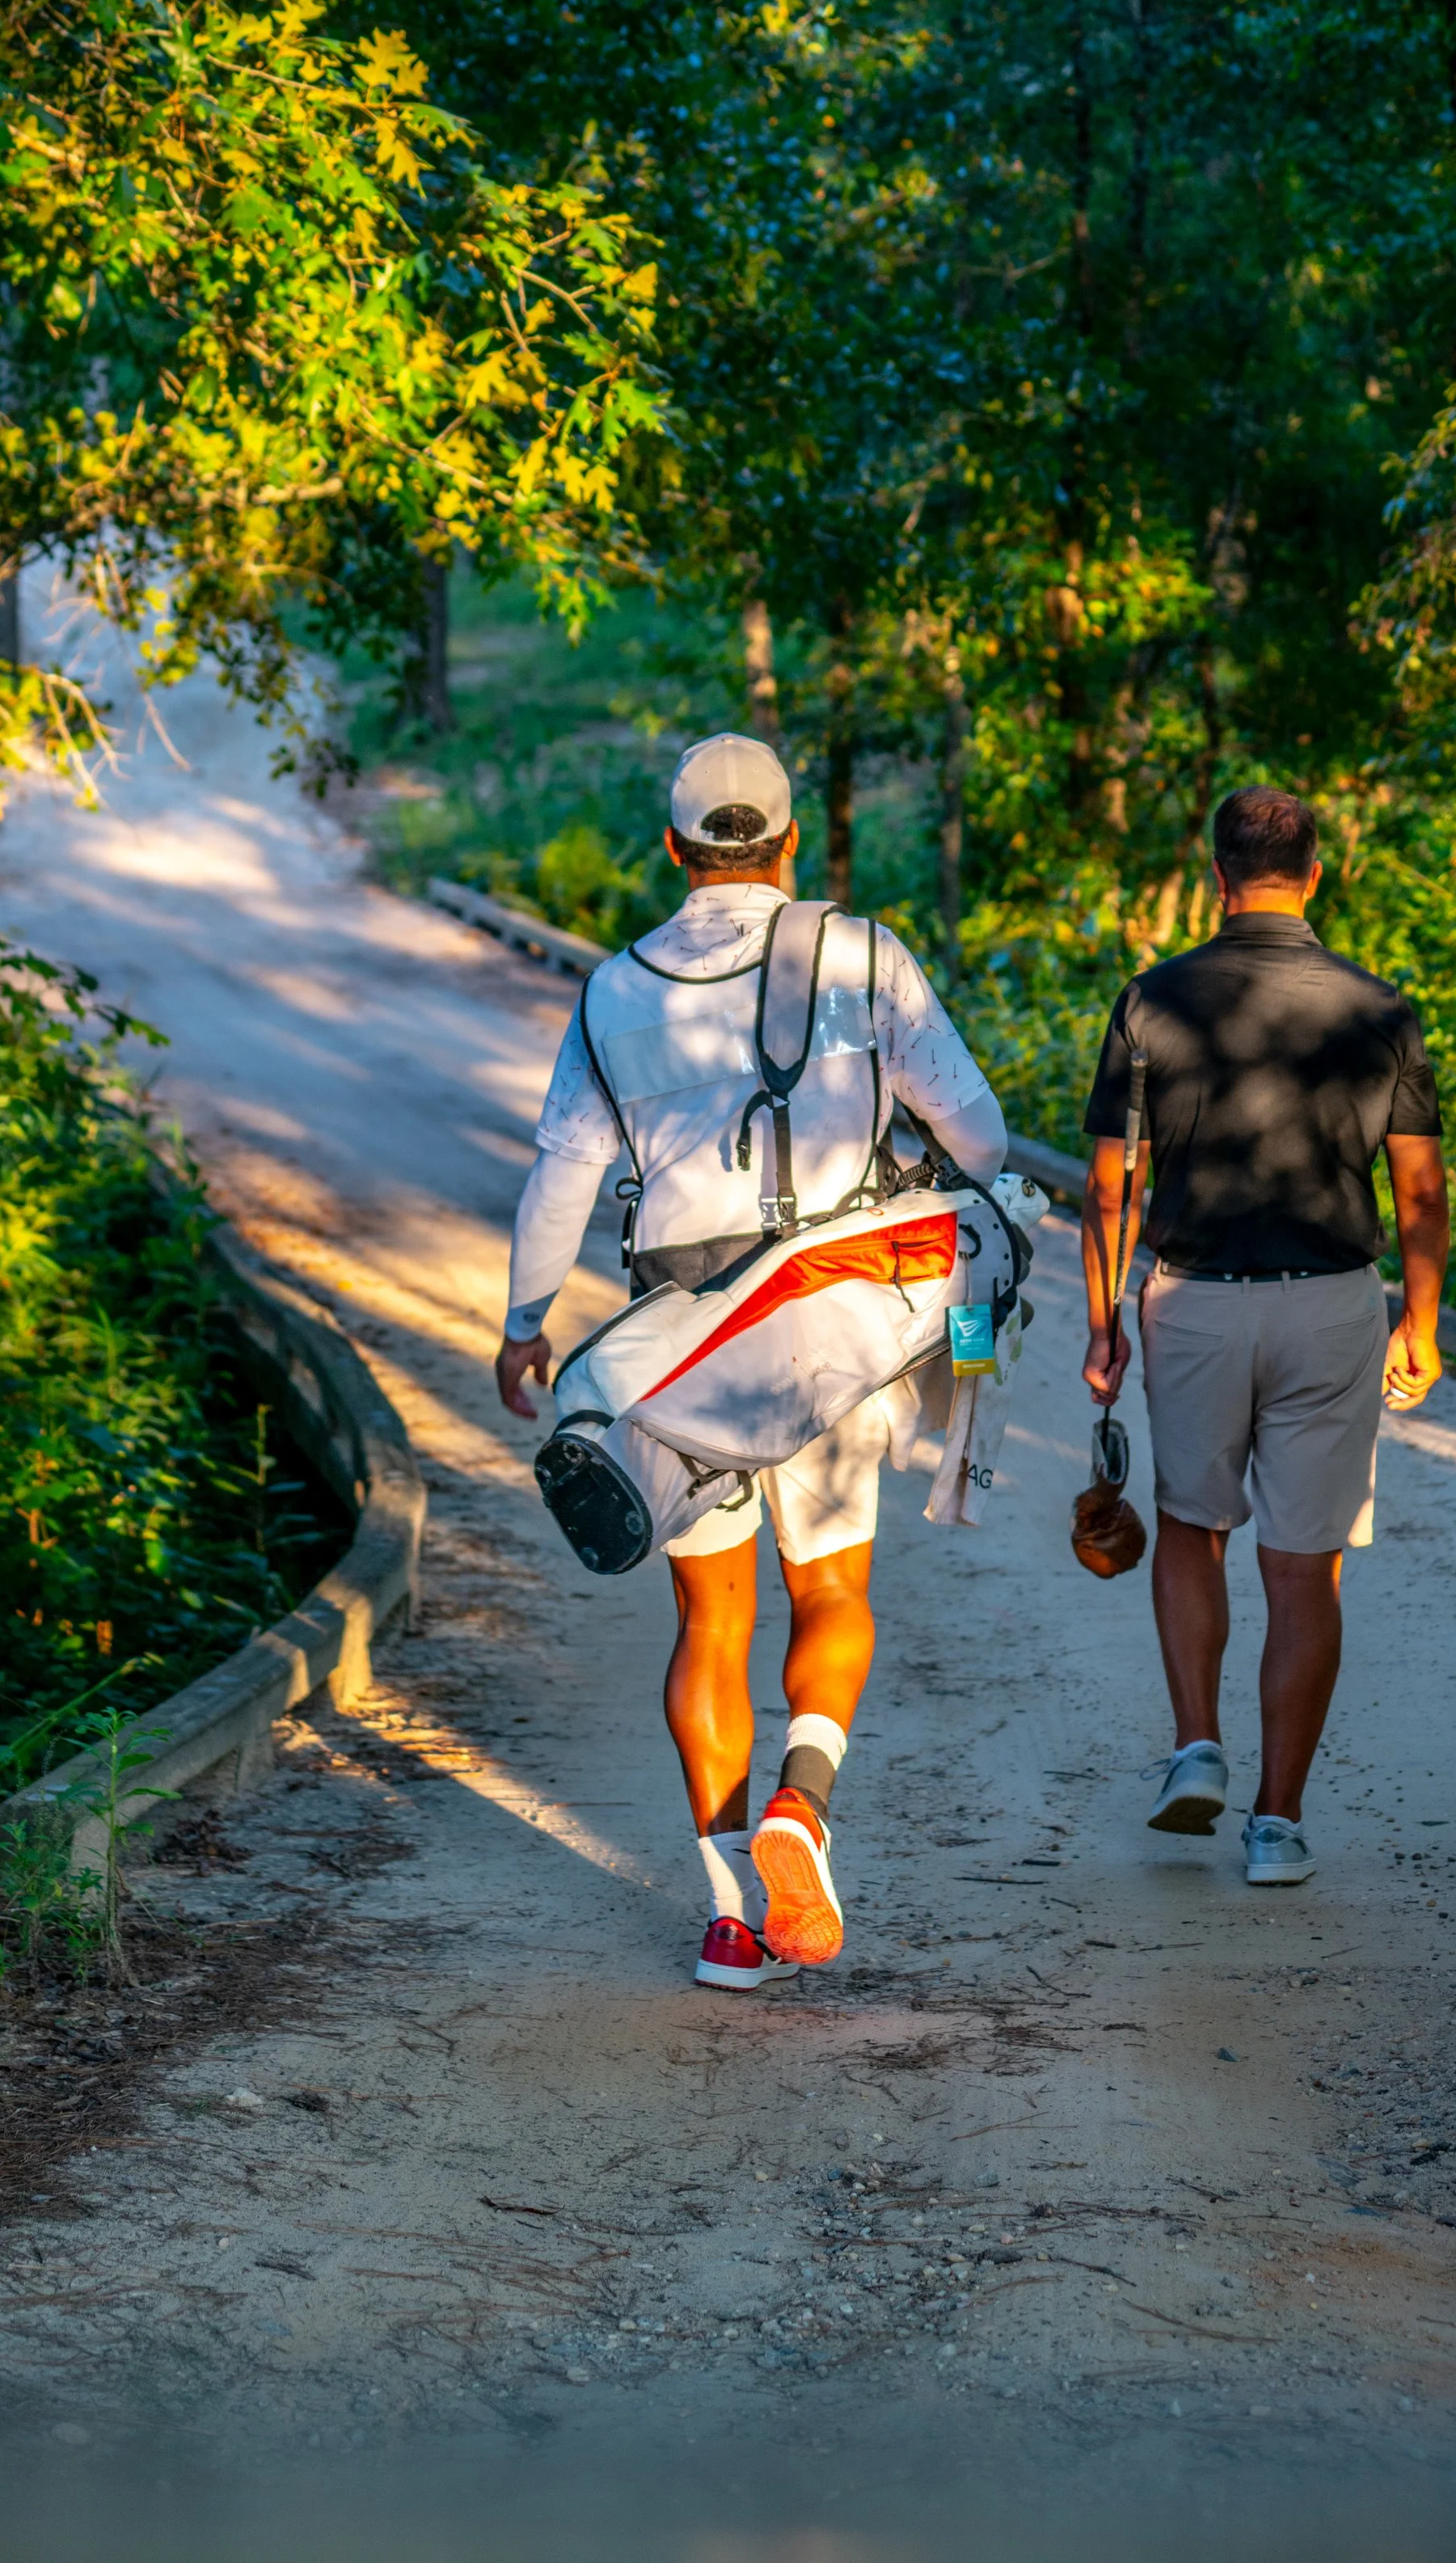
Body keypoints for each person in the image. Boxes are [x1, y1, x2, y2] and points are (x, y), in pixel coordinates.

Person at [495, 733, 1009, 1987]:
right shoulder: (863, 959)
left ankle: (731, 1912)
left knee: (709, 1623)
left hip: (681, 1347)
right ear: (790, 844)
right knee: (830, 1593)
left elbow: (562, 1177)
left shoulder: (613, 992)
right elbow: (981, 1137)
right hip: (829, 1320)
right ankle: (804, 1807)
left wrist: (525, 1327)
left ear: (673, 850)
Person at [1080, 785, 1449, 1889]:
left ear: (1216, 877)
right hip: (1332, 1304)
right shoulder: (1382, 1009)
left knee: (1193, 1528)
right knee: (1305, 1569)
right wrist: (1419, 1322)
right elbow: (1420, 1191)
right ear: (1318, 873)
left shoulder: (1152, 1001)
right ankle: (1277, 1825)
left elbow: (1110, 1190)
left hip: (1192, 1298)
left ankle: (1197, 1745)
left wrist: (1106, 1322)